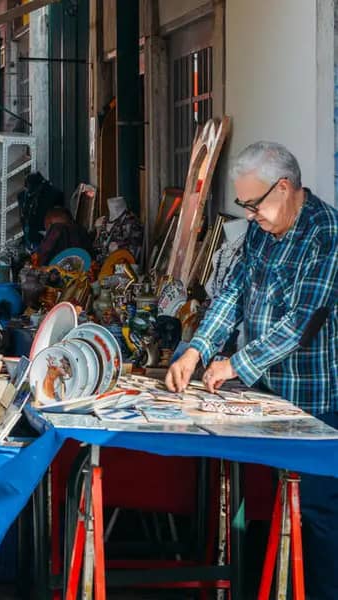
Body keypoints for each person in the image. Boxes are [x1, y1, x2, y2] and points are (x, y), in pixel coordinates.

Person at [165, 142, 338, 598]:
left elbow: (302, 322)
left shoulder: (327, 235)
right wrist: (197, 350)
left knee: (317, 515)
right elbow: (233, 293)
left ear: (283, 188)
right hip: (264, 398)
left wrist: (235, 364)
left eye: (253, 204)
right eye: (243, 205)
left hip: (316, 403)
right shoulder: (261, 230)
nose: (249, 214)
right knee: (256, 505)